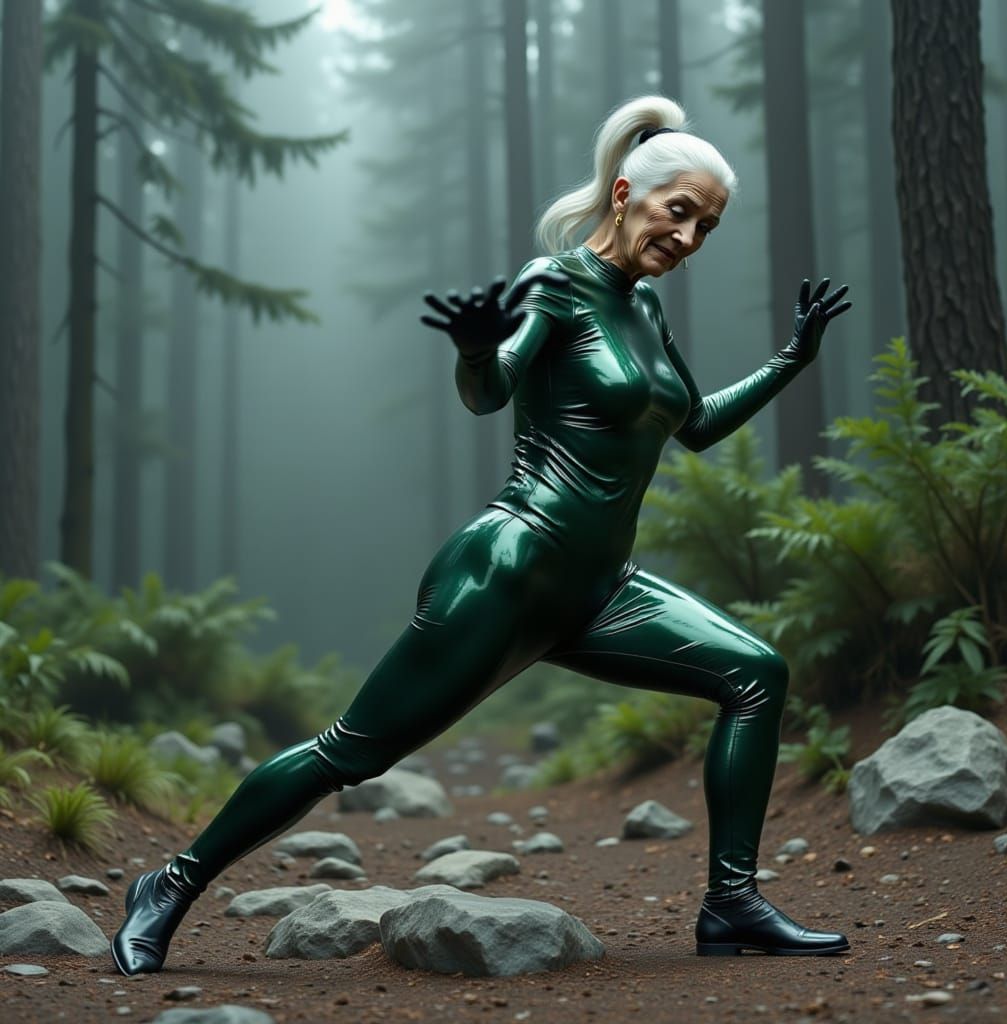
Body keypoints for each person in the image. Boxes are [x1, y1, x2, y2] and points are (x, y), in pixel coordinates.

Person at [111, 94, 852, 976]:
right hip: (506, 574)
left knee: (755, 674)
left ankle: (732, 904)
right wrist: (473, 350)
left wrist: (788, 362)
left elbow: (690, 424)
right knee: (350, 753)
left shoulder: (644, 310)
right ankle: (170, 883)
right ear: (625, 193)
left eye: (708, 227)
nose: (689, 238)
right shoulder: (555, 284)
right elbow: (493, 387)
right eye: (678, 211)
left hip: (601, 590)